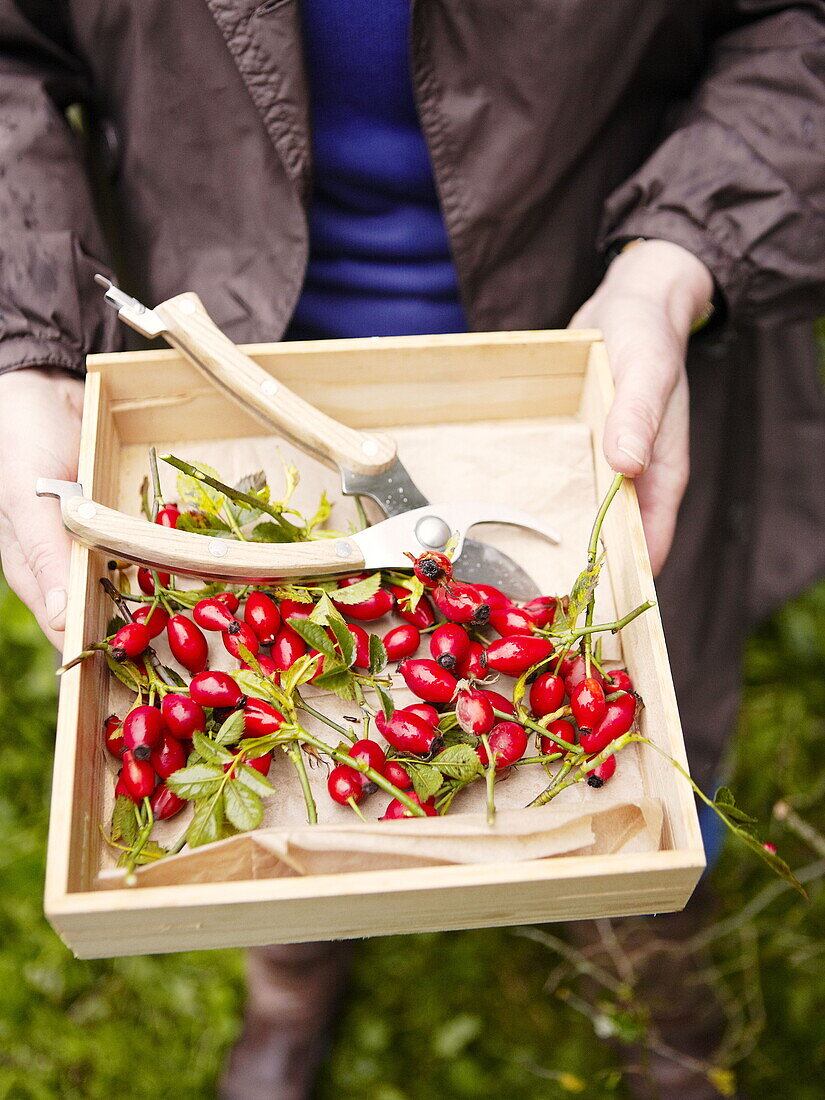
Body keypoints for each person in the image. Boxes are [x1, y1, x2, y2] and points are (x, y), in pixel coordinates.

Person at [1, 2, 823, 1097]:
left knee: (668, 717)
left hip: (596, 346)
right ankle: (293, 971)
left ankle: (650, 970)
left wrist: (674, 258)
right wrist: (24, 339)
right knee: (289, 785)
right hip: (233, 370)